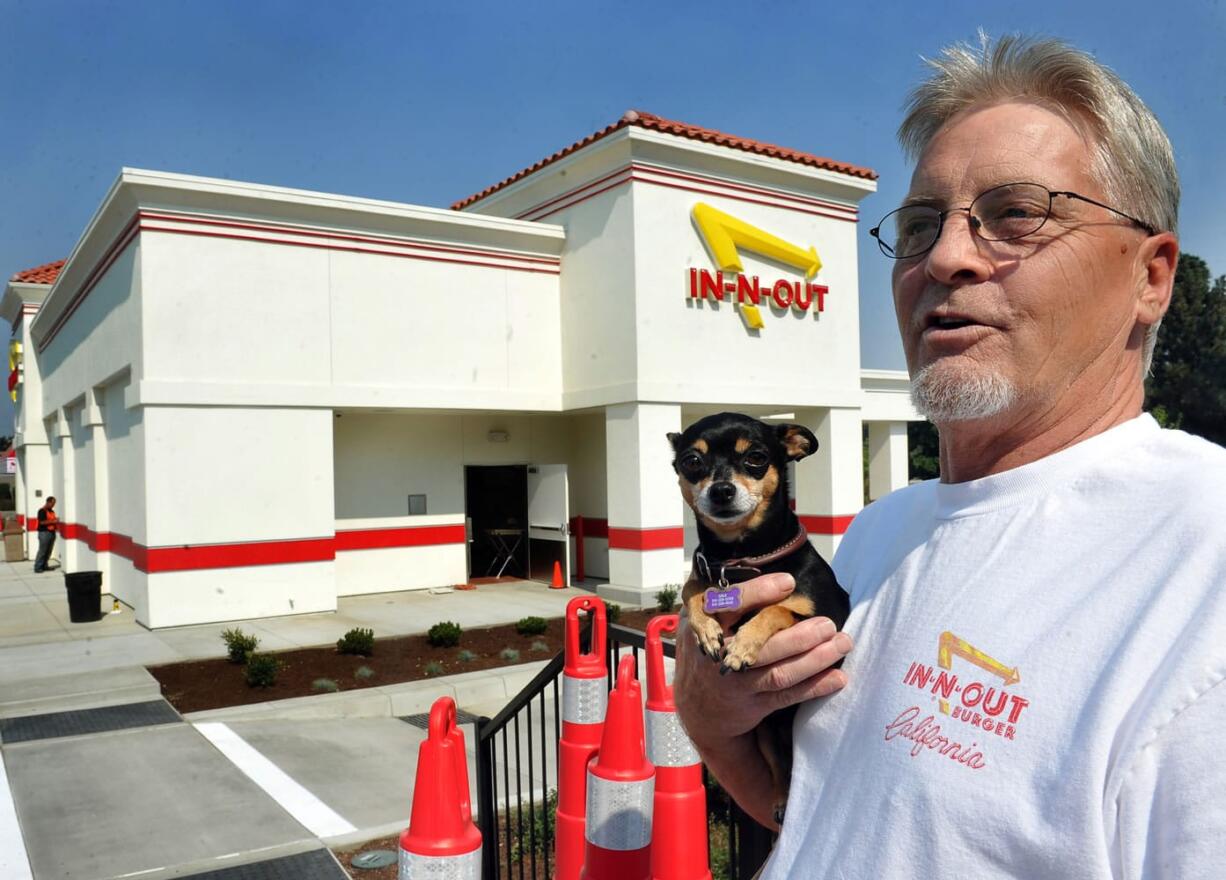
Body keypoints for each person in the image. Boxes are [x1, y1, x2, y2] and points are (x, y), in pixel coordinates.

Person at [673, 34, 1226, 878]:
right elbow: (829, 816)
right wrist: (714, 723)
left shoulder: (1202, 572)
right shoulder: (877, 535)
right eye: (922, 223)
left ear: (1151, 277)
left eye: (1016, 213)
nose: (944, 258)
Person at [33, 495, 57, 573]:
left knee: (48, 550)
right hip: (44, 533)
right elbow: (42, 522)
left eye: (54, 503)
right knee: (42, 550)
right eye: (52, 503)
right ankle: (38, 567)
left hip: (52, 532)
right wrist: (53, 521)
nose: (53, 505)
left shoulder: (52, 511)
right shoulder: (42, 511)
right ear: (48, 502)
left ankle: (44, 565)